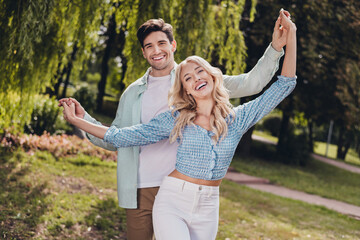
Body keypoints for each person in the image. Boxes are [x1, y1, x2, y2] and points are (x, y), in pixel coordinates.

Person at [60, 9, 296, 239]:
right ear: (143, 53)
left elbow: (255, 83)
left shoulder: (205, 84)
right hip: (144, 187)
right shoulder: (138, 96)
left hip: (200, 195)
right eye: (149, 46)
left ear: (172, 46)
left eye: (161, 43)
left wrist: (278, 46)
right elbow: (118, 137)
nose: (156, 50)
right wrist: (82, 121)